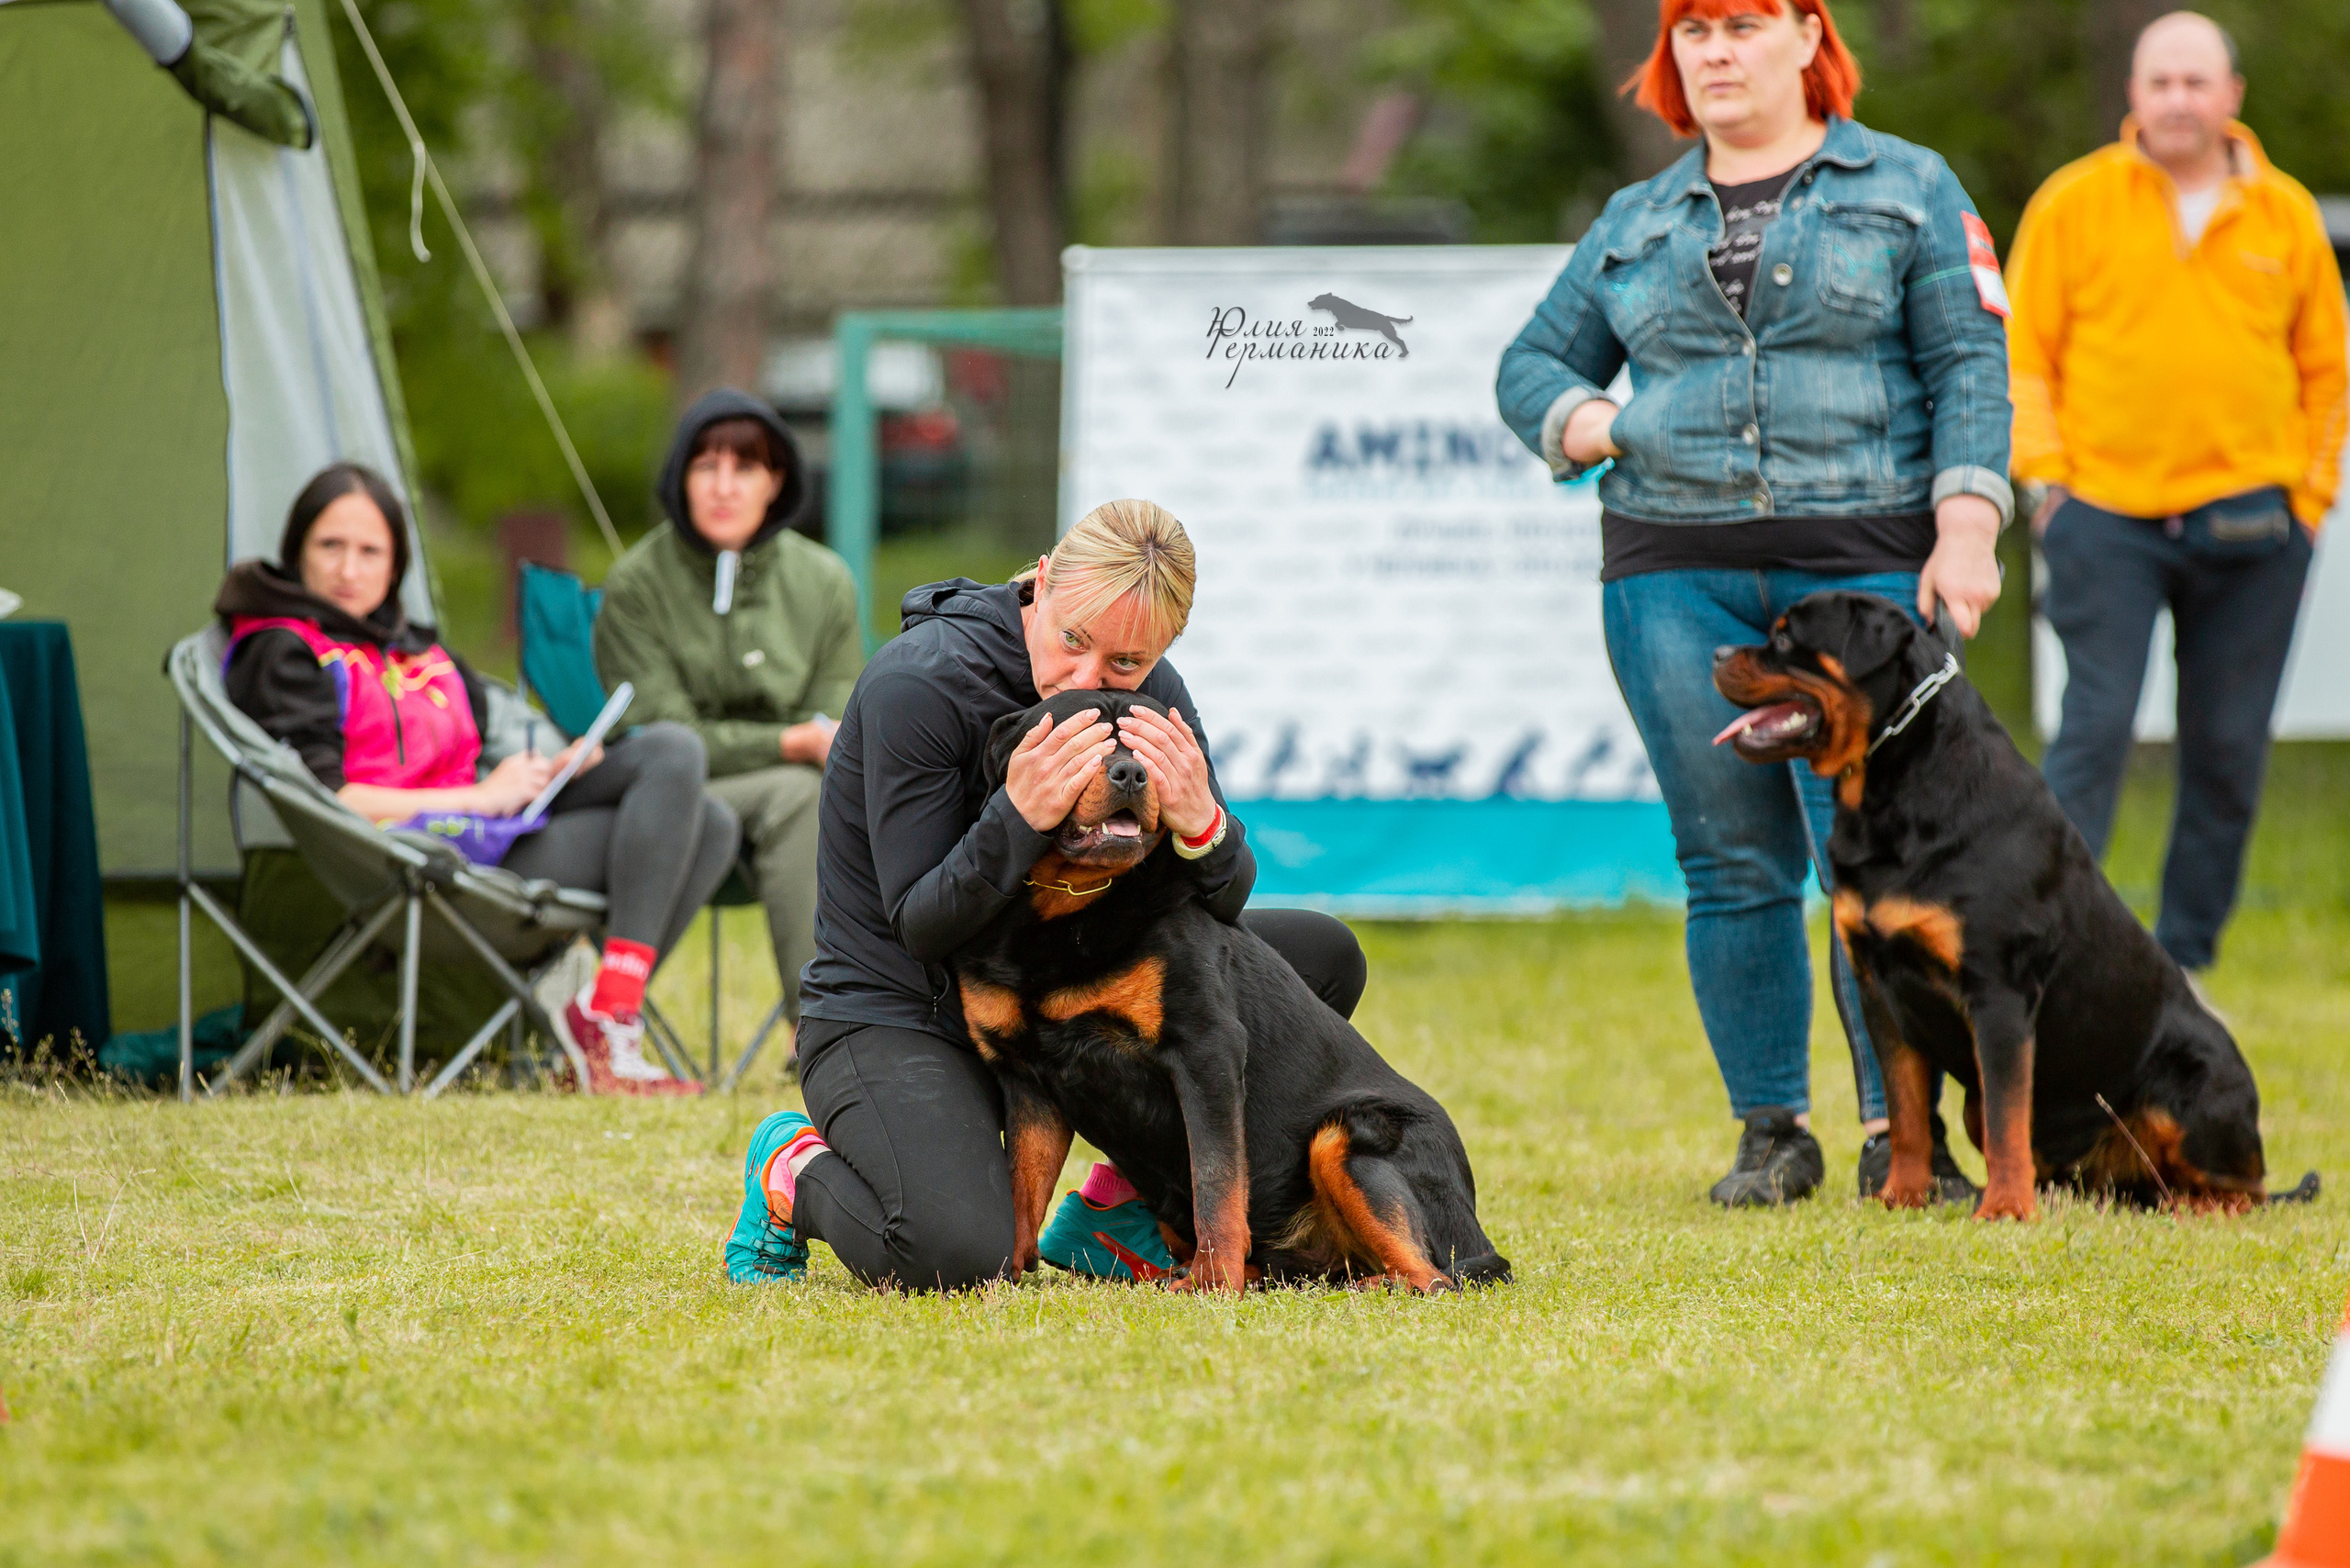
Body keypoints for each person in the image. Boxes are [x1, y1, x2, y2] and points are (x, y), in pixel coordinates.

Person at [1496, 0, 2013, 1207]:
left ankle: (1905, 1137)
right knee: (1731, 863)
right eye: (1694, 32)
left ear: (1805, 39)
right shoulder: (1636, 218)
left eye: (1742, 24)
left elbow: (1968, 363)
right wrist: (1595, 423)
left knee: (1873, 859)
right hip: (1673, 578)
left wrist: (1969, 524)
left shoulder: (1912, 185)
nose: (1715, 51)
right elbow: (1531, 365)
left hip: (1868, 579)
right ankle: (1771, 1133)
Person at [722, 498, 1369, 1290]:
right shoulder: (918, 685)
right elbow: (920, 926)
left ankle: (1120, 1206)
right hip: (900, 1008)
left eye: (1126, 666)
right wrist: (1018, 816)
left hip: (1051, 993)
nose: (1089, 680)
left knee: (1322, 958)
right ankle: (792, 1168)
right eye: (1072, 641)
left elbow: (1218, 903)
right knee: (956, 1257)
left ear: (1161, 650)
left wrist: (1205, 824)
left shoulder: (1152, 687)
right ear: (1042, 580)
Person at [218, 463, 738, 1095]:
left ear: (395, 564)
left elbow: (493, 739)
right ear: (297, 550)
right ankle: (604, 1026)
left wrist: (554, 764)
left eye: (369, 551)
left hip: (490, 830)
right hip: (416, 864)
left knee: (690, 781)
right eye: (330, 546)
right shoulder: (287, 653)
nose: (349, 569)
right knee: (700, 818)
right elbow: (335, 800)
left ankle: (604, 1013)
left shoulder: (413, 649)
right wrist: (482, 797)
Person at [2007, 10, 2344, 975]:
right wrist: (2051, 480)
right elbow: (2023, 353)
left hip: (2253, 527)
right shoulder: (2073, 203)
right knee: (2094, 730)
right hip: (2102, 515)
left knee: (2227, 752)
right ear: (2133, 94)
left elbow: (2328, 372)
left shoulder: (2284, 216)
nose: (2178, 100)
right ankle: (2052, 951)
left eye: (2196, 82)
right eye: (2160, 82)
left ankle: (2182, 964)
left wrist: (2307, 504)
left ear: (2231, 95)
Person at [595, 389, 866, 1036]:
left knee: (839, 788)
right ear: (678, 478)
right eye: (704, 466)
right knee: (800, 790)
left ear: (776, 482)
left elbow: (836, 716)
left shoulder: (824, 580)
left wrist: (810, 743)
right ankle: (825, 1032)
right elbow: (665, 734)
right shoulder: (637, 583)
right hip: (659, 797)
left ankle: (891, 1021)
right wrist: (791, 743)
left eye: (745, 468)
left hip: (791, 808)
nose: (724, 487)